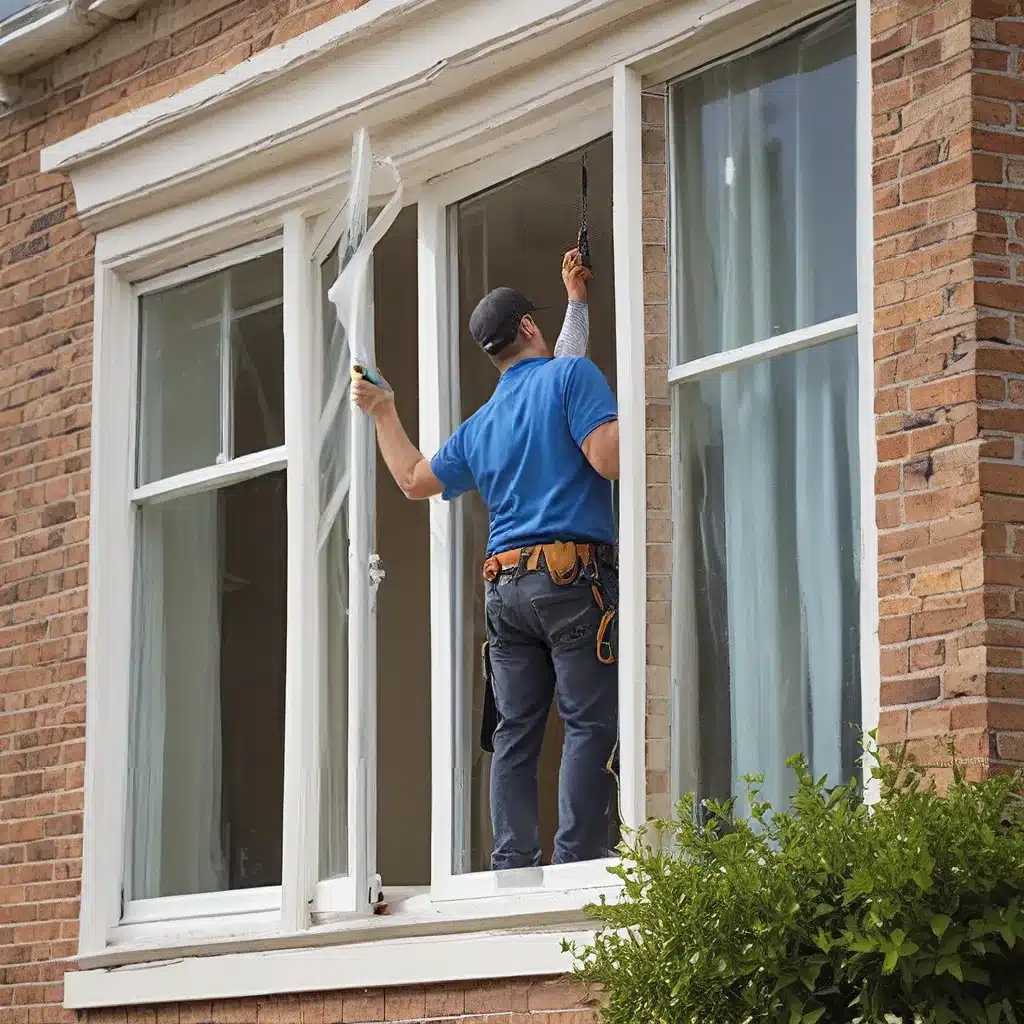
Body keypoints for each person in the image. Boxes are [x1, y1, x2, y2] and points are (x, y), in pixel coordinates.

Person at [352, 248, 619, 869]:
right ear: (530, 327)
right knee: (587, 721)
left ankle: (513, 869)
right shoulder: (571, 381)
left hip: (506, 592)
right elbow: (605, 455)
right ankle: (577, 864)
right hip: (572, 578)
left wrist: (383, 411)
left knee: (514, 735)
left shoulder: (481, 424)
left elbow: (414, 480)